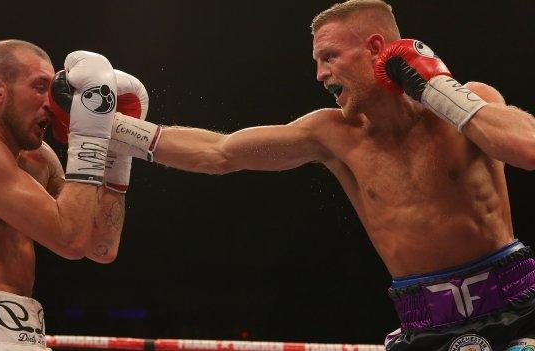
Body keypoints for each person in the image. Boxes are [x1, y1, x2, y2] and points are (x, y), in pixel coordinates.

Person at [96, 0, 535, 349]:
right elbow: (220, 152)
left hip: (519, 305)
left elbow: (528, 149)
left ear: (377, 49)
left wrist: (437, 89)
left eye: (329, 57)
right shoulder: (333, 134)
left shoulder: (470, 101)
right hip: (426, 323)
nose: (320, 74)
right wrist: (109, 126)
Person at [0, 39, 148, 350]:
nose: (52, 103)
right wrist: (89, 137)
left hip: (24, 331)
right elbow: (70, 240)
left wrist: (115, 158)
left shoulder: (41, 159)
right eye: (40, 87)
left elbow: (100, 246)